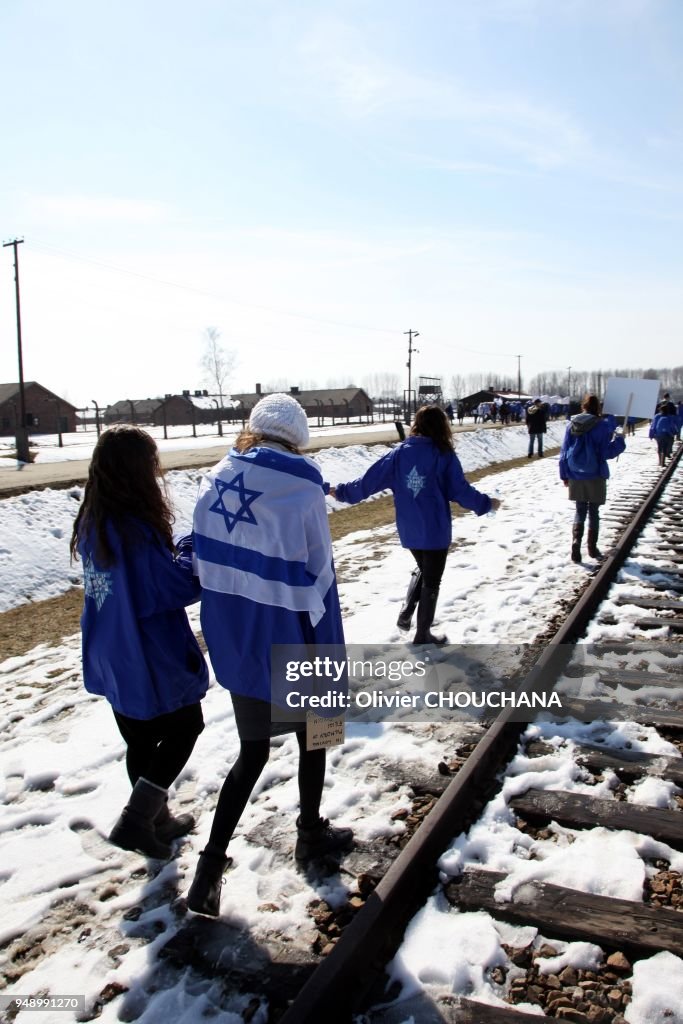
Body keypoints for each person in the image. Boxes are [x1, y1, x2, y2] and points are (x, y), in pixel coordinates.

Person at [188, 393, 353, 918]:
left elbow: (202, 556)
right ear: (296, 438)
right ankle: (309, 834)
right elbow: (318, 575)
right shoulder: (303, 485)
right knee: (316, 735)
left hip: (237, 640)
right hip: (292, 635)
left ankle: (210, 869)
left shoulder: (218, 476)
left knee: (252, 753)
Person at [69, 426, 208, 859]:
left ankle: (156, 819)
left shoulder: (94, 519)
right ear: (137, 471)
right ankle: (135, 821)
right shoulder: (133, 529)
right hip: (148, 653)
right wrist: (190, 549)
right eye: (151, 463)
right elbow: (171, 588)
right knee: (187, 728)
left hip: (110, 649)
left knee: (141, 741)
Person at [330, 405, 500, 645]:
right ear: (442, 426)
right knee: (432, 579)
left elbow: (369, 481)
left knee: (424, 568)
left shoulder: (399, 454)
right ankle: (422, 634)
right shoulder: (443, 454)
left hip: (410, 528)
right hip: (435, 528)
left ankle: (407, 612)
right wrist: (486, 503)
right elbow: (459, 490)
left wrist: (343, 492)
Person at [559, 394, 626, 562]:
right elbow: (606, 453)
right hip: (595, 473)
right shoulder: (602, 426)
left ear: (583, 406)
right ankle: (592, 548)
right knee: (593, 511)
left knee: (579, 510)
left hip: (575, 473)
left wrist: (564, 475)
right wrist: (620, 441)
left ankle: (575, 544)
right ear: (598, 408)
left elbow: (564, 452)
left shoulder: (571, 425)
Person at [649, 401, 678, 467]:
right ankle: (663, 462)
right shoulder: (669, 416)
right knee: (664, 448)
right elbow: (672, 426)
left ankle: (659, 461)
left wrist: (651, 434)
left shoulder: (656, 416)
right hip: (667, 434)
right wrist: (675, 432)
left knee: (659, 447)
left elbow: (653, 425)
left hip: (658, 435)